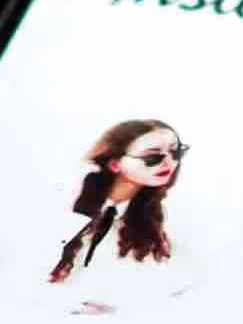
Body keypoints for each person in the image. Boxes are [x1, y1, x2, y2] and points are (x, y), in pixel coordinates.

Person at [51, 119, 188, 284]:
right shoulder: (69, 197)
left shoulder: (155, 216)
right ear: (115, 164)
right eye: (152, 157)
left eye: (176, 153)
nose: (169, 163)